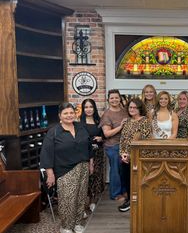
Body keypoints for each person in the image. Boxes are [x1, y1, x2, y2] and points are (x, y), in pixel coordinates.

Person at [40, 103, 94, 233]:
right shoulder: (54, 132)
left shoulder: (81, 127)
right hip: (65, 170)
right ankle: (66, 227)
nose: (69, 115)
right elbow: (46, 153)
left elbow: (89, 146)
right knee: (67, 200)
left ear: (75, 114)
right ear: (60, 115)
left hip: (83, 167)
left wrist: (91, 163)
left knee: (81, 197)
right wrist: (50, 174)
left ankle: (78, 223)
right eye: (66, 113)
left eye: (71, 113)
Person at [118, 98, 152, 212]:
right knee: (127, 179)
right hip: (125, 157)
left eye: (134, 108)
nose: (132, 109)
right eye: (130, 107)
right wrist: (123, 154)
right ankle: (130, 200)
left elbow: (146, 141)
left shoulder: (145, 121)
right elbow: (122, 139)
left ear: (139, 109)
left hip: (138, 157)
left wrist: (132, 156)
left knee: (139, 180)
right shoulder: (127, 121)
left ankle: (139, 202)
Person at [100, 89, 128, 200]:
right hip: (113, 146)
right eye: (112, 98)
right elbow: (106, 134)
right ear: (108, 100)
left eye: (116, 97)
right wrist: (120, 127)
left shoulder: (124, 111)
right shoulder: (107, 114)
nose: (114, 100)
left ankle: (124, 190)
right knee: (116, 170)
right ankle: (115, 194)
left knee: (124, 169)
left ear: (120, 98)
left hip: (125, 145)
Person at [80, 98, 104, 213]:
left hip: (98, 153)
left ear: (94, 108)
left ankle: (93, 201)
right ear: (83, 109)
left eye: (91, 107)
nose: (88, 109)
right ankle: (83, 204)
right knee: (86, 178)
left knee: (96, 176)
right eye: (86, 107)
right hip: (84, 154)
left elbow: (105, 135)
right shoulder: (79, 122)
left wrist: (101, 138)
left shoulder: (99, 121)